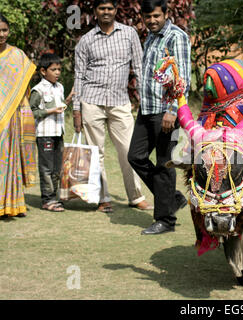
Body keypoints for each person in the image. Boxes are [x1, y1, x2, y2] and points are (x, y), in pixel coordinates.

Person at [73, 0, 152, 213]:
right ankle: (103, 198)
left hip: (120, 102)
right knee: (95, 153)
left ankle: (136, 197)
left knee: (129, 151)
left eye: (109, 8)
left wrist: (145, 101)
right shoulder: (86, 40)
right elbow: (79, 76)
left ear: (115, 11)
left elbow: (140, 67)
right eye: (102, 8)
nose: (106, 12)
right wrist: (76, 109)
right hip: (91, 101)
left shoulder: (129, 34)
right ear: (96, 12)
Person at [128, 0, 190, 235]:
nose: (152, 21)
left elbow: (183, 76)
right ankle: (172, 198)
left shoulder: (177, 36)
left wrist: (173, 110)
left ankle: (165, 220)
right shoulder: (152, 37)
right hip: (147, 109)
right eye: (147, 17)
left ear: (166, 13)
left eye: (156, 16)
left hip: (166, 112)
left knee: (165, 163)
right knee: (135, 156)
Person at [0, 14, 37, 219]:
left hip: (11, 117)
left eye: (4, 30)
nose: (1, 34)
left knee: (10, 160)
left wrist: (25, 114)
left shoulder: (17, 56)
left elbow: (23, 90)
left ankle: (12, 205)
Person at [30, 53, 73, 212]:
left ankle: (54, 197)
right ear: (43, 71)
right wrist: (49, 111)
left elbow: (60, 106)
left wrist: (69, 99)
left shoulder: (60, 87)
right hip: (44, 134)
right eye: (53, 69)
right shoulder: (38, 90)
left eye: (59, 69)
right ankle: (47, 200)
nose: (57, 73)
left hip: (58, 133)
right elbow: (31, 112)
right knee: (46, 168)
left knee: (57, 167)